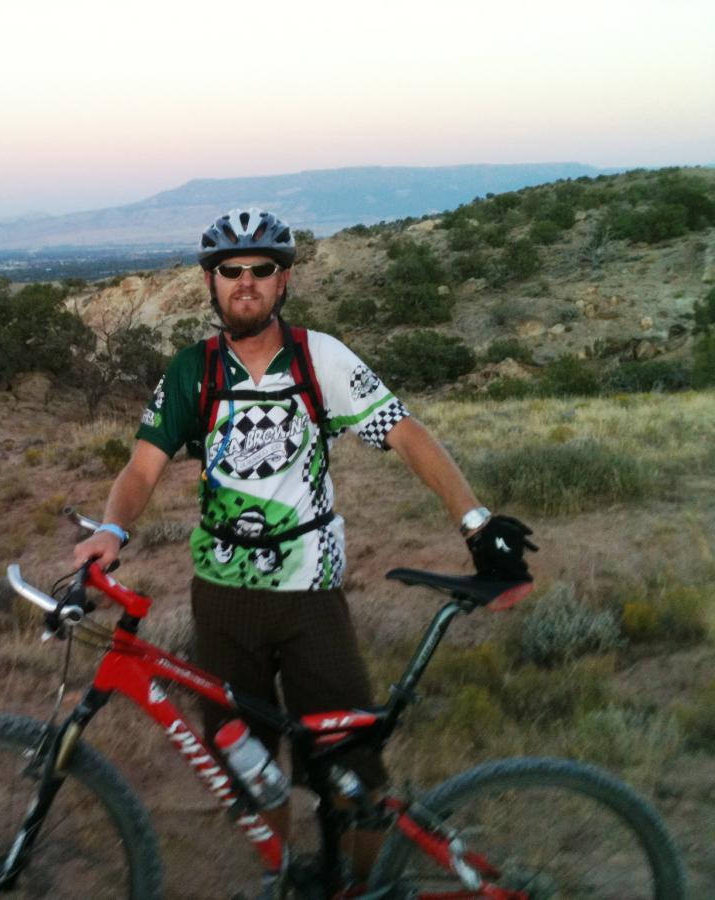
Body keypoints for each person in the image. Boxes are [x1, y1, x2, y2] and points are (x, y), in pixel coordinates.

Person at [73, 207, 535, 890]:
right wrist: (111, 529)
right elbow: (142, 469)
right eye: (231, 271)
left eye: (262, 271)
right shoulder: (190, 371)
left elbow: (406, 433)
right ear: (212, 282)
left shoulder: (322, 359)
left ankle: (366, 887)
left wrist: (474, 520)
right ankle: (281, 878)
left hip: (309, 593)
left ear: (283, 281)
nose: (246, 283)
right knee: (247, 767)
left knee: (353, 772)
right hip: (223, 600)